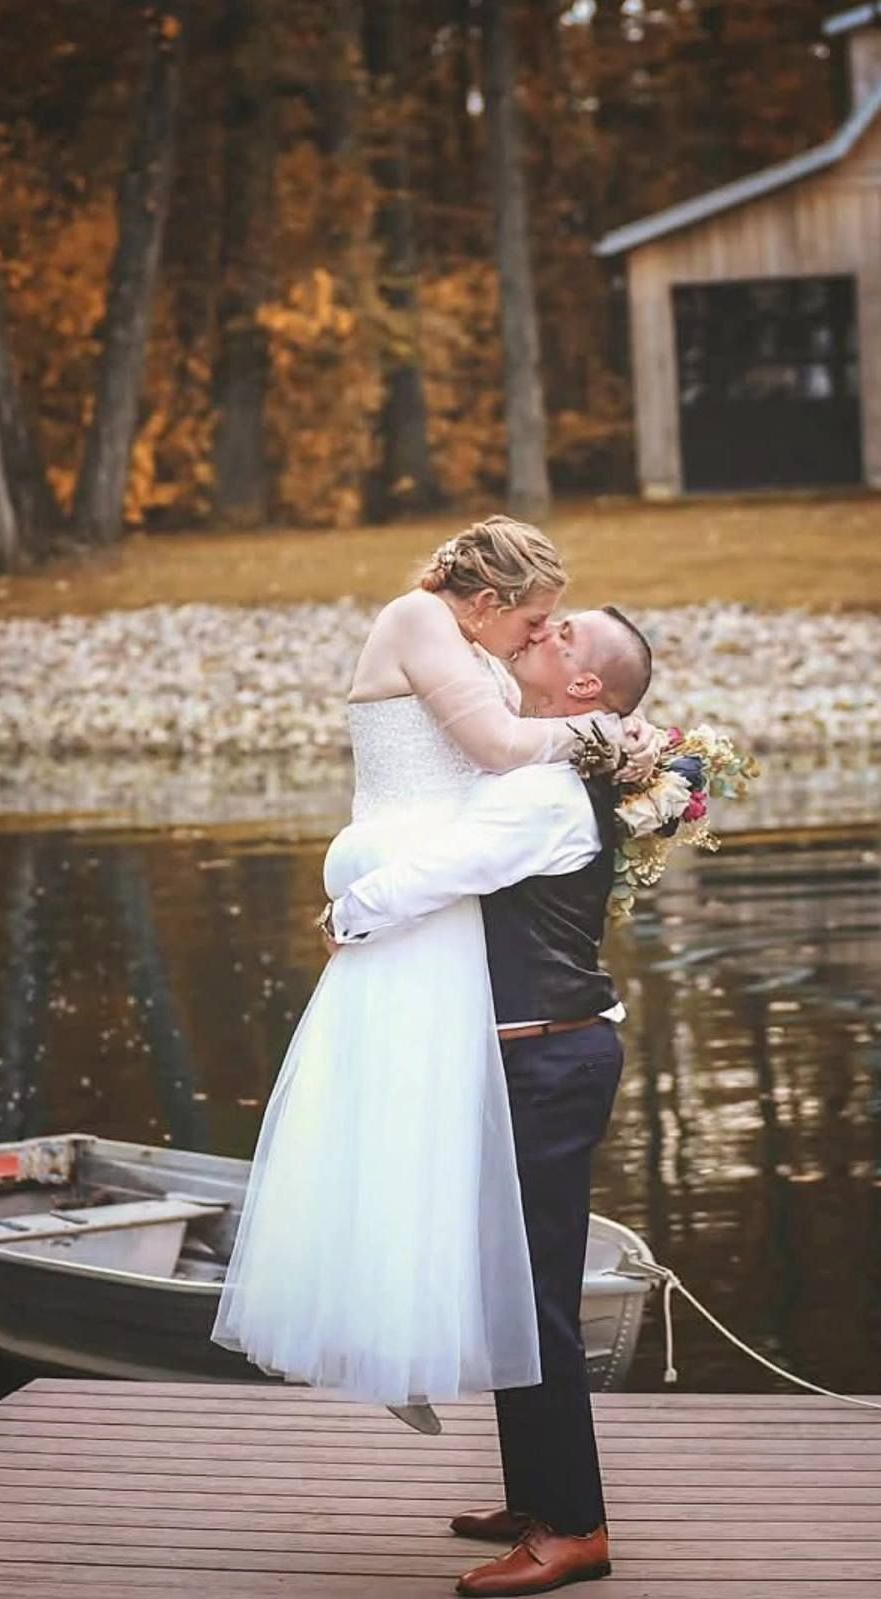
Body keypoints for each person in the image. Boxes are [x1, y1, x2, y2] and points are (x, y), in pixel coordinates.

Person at [211, 518, 651, 1436]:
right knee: (395, 1113)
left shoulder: (474, 646)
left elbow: (507, 756)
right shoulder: (419, 618)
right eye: (535, 619)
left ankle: (406, 1330)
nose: (539, 634)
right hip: (413, 868)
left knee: (426, 1127)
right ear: (488, 602)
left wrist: (614, 748)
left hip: (437, 880)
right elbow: (494, 748)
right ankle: (381, 1324)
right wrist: (606, 735)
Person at [325, 605, 654, 1597]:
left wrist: (348, 912)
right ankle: (535, 1497)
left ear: (585, 687)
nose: (543, 628)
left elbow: (439, 874)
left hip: (547, 1064)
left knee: (541, 1299)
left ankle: (575, 1529)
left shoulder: (543, 795)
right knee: (515, 1286)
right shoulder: (538, 770)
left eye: (565, 635)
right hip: (534, 1059)